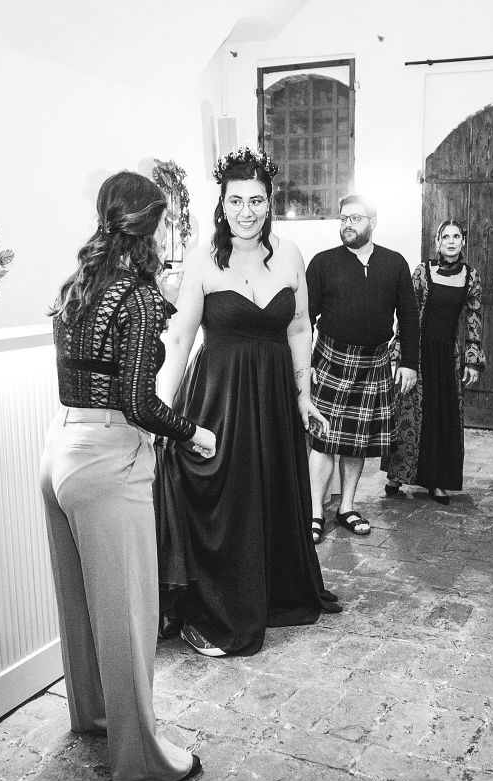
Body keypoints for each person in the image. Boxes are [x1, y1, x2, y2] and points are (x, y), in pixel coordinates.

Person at [39, 171, 212, 781]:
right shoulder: (135, 297)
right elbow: (139, 402)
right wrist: (192, 432)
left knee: (81, 606)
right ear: (152, 224)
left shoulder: (78, 285)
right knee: (129, 618)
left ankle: (94, 718)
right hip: (109, 460)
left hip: (60, 451)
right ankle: (141, 761)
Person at [156, 147, 338, 657]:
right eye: (235, 201)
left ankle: (274, 593)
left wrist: (304, 397)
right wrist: (162, 413)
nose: (246, 211)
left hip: (275, 396)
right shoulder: (202, 260)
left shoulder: (291, 255)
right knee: (225, 498)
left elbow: (299, 328)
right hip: (222, 396)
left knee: (274, 490)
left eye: (256, 200)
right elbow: (180, 339)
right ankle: (217, 606)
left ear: (269, 202)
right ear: (222, 204)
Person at [307, 194, 420, 537]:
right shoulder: (323, 263)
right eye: (343, 219)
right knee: (323, 439)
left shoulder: (394, 263)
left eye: (355, 219)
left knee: (355, 442)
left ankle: (346, 507)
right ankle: (314, 512)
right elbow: (304, 318)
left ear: (373, 223)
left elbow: (409, 317)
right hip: (330, 360)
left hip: (375, 361)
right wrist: (305, 363)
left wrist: (409, 363)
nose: (347, 225)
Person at [382, 219, 484, 504]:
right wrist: (401, 354)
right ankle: (397, 475)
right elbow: (407, 314)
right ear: (438, 242)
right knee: (408, 414)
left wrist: (472, 360)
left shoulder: (471, 276)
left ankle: (437, 481)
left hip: (448, 356)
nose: (451, 241)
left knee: (443, 416)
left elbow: (474, 318)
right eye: (445, 237)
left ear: (463, 241)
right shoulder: (422, 272)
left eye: (456, 236)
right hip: (419, 353)